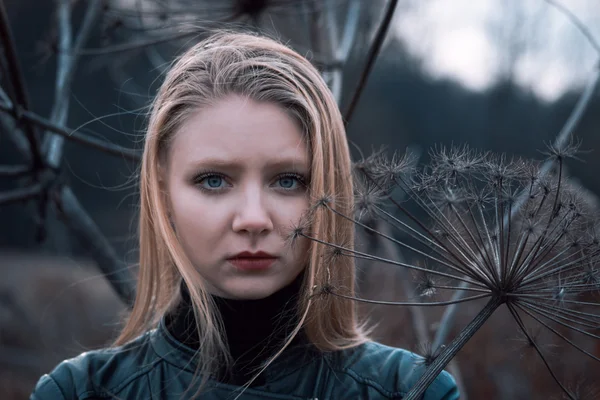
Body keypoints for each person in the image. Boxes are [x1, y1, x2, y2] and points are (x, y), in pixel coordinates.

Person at [30, 31, 458, 400]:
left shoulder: (411, 390)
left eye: (289, 181)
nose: (253, 219)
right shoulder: (80, 392)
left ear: (329, 191)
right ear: (163, 193)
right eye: (214, 180)